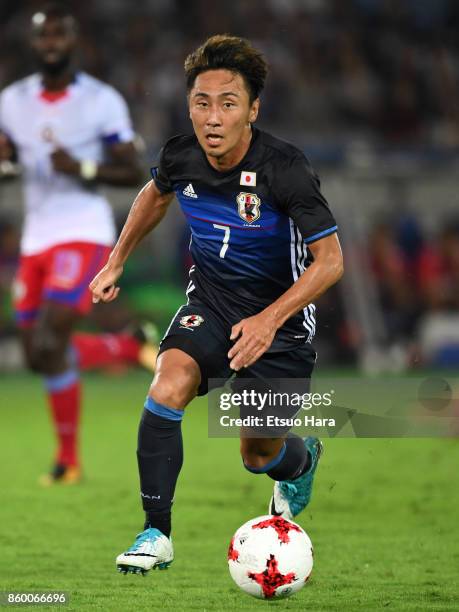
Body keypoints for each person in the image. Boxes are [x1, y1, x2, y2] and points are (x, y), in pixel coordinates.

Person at [90, 35, 344, 574]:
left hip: (282, 326)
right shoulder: (181, 154)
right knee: (168, 381)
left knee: (259, 456)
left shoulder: (286, 169)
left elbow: (331, 261)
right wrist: (117, 260)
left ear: (253, 109)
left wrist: (270, 320)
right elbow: (154, 194)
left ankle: (301, 460)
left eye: (228, 103)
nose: (212, 116)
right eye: (201, 102)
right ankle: (155, 533)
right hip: (211, 303)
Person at [0, 3, 158, 485]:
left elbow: (133, 171)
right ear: (34, 43)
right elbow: (5, 153)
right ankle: (125, 348)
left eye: (59, 35)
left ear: (74, 41)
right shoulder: (11, 101)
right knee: (36, 355)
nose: (51, 44)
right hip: (36, 239)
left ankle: (68, 461)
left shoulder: (100, 101)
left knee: (51, 339)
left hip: (85, 232)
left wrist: (83, 169)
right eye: (43, 36)